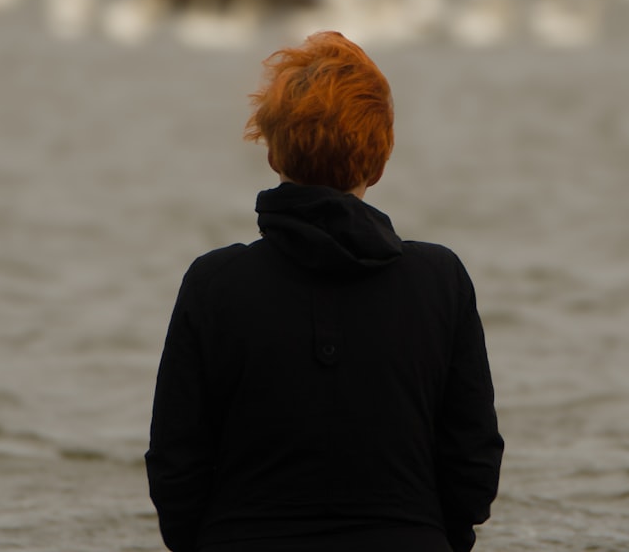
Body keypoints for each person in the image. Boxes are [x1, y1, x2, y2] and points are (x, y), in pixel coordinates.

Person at [145, 31, 503, 552]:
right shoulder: (441, 281)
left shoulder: (213, 284)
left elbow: (175, 468)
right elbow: (473, 469)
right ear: (380, 163)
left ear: (273, 156)